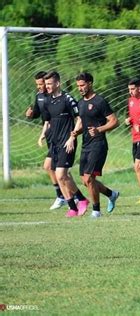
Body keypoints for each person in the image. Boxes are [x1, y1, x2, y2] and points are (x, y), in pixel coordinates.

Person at [65, 72, 119, 218]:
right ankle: (111, 194)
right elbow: (83, 122)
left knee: (89, 179)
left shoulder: (100, 101)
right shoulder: (81, 103)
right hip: (86, 145)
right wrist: (76, 132)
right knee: (85, 181)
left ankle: (96, 211)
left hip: (99, 144)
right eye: (78, 86)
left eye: (82, 85)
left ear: (90, 84)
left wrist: (99, 129)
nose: (80, 88)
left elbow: (114, 121)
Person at [42, 71, 89, 217]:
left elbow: (80, 119)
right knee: (58, 175)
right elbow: (48, 121)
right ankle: (72, 208)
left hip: (67, 142)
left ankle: (82, 200)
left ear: (57, 83)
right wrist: (44, 134)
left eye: (50, 83)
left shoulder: (68, 99)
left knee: (61, 174)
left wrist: (72, 137)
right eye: (46, 84)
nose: (47, 86)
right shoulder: (47, 101)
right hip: (54, 144)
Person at [25, 71, 66, 210]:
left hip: (60, 136)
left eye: (41, 84)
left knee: (52, 167)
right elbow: (38, 113)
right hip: (50, 136)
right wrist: (30, 114)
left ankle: (66, 197)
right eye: (37, 84)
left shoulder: (58, 97)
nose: (39, 87)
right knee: (56, 168)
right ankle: (69, 197)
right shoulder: (39, 96)